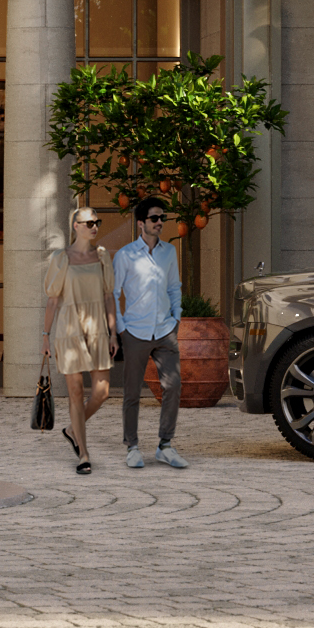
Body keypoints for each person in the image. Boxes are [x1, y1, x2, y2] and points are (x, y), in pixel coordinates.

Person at [111, 195, 189, 467]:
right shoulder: (125, 255)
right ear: (141, 222)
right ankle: (132, 447)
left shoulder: (169, 252)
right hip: (135, 332)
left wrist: (176, 317)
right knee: (132, 392)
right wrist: (121, 328)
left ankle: (165, 445)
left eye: (162, 218)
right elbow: (113, 292)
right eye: (154, 218)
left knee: (173, 386)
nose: (160, 222)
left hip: (165, 331)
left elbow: (174, 287)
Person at [41, 200, 117, 473]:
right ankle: (83, 454)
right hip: (68, 329)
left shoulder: (103, 256)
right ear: (76, 227)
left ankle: (74, 429)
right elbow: (52, 300)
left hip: (97, 328)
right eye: (89, 223)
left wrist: (113, 333)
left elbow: (109, 296)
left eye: (97, 222)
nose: (94, 227)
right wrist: (46, 336)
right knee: (75, 392)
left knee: (102, 391)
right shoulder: (61, 259)